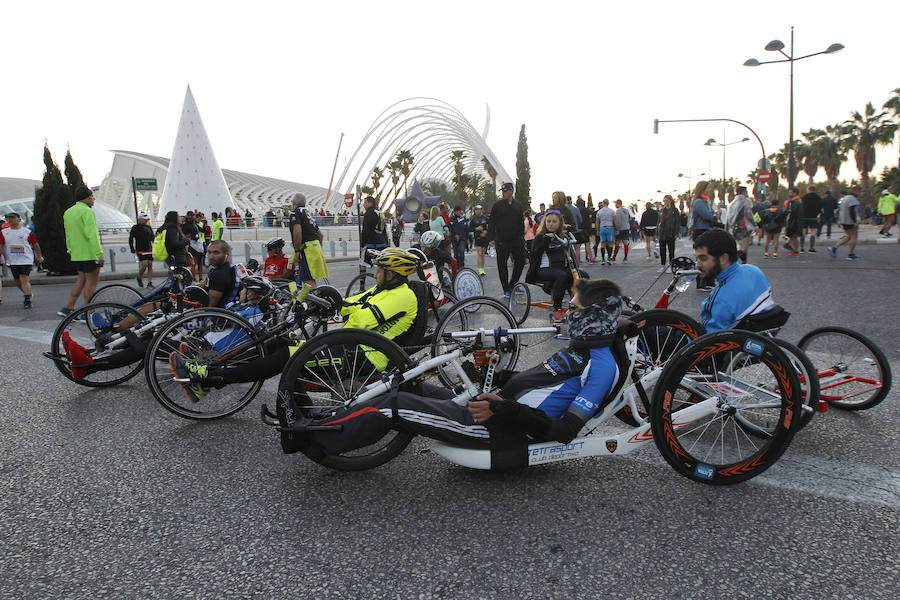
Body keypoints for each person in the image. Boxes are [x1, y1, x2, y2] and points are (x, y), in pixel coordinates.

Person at [274, 278, 624, 461]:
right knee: (406, 383)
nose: (568, 313)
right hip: (491, 411)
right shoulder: (582, 350)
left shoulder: (601, 367)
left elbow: (563, 430)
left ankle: (308, 438)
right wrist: (493, 377)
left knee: (394, 406)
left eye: (576, 309)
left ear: (592, 318)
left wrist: (502, 408)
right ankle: (318, 419)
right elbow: (538, 386)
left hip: (497, 431)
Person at [170, 248, 421, 401]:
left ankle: (211, 379)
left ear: (392, 274)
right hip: (347, 345)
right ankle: (209, 375)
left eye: (379, 270)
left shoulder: (402, 295)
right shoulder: (379, 290)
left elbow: (361, 321)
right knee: (274, 342)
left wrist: (340, 308)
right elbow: (348, 304)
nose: (375, 273)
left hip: (363, 356)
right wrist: (323, 300)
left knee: (285, 356)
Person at [693, 229, 774, 333]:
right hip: (759, 336)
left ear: (723, 258)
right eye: (696, 258)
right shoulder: (754, 271)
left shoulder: (720, 298)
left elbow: (703, 339)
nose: (697, 265)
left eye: (703, 259)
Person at [58, 187, 105, 318]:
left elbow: (68, 234)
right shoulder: (87, 212)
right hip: (90, 253)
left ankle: (67, 308)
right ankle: (87, 312)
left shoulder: (68, 212)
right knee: (91, 283)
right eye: (92, 196)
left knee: (81, 280)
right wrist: (99, 253)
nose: (94, 199)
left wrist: (70, 250)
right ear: (88, 197)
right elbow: (92, 234)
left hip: (76, 254)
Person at [525, 210, 573, 323]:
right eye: (548, 221)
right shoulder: (540, 237)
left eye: (554, 222)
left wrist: (570, 231)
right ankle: (557, 310)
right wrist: (546, 241)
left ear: (560, 224)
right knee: (561, 276)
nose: (551, 224)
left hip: (560, 269)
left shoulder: (562, 236)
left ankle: (576, 307)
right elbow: (533, 255)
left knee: (580, 275)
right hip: (542, 270)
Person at [488, 182, 526, 296]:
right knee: (502, 265)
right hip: (502, 241)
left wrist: (522, 237)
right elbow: (492, 222)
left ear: (511, 191)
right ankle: (506, 289)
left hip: (516, 239)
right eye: (502, 191)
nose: (503, 193)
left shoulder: (518, 205)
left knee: (521, 261)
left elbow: (521, 222)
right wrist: (491, 238)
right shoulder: (497, 205)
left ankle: (513, 284)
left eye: (505, 191)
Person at [0, 212, 42, 309]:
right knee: (18, 282)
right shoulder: (4, 232)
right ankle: (28, 293)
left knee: (24, 278)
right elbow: (1, 246)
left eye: (12, 218)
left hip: (26, 259)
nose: (10, 220)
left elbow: (35, 244)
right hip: (12, 260)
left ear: (19, 219)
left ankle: (27, 300)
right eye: (8, 218)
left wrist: (39, 256)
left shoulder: (26, 232)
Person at [290, 192, 328, 286]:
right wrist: (318, 247)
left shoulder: (295, 213)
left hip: (306, 249)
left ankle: (314, 299)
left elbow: (297, 231)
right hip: (316, 247)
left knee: (307, 280)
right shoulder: (308, 214)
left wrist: (297, 250)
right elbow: (321, 235)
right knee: (311, 278)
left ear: (293, 203)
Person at [689, 182, 715, 290]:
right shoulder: (699, 202)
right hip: (701, 231)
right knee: (703, 258)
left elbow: (712, 214)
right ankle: (702, 282)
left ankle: (708, 281)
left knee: (707, 257)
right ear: (703, 189)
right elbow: (708, 216)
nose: (710, 190)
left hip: (705, 230)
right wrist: (714, 216)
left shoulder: (705, 201)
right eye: (708, 188)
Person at [828, 187, 861, 260]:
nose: (860, 193)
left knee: (848, 236)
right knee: (854, 237)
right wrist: (855, 221)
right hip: (850, 221)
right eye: (859, 191)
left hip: (844, 221)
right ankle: (851, 254)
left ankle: (834, 248)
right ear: (856, 191)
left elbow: (838, 210)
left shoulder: (844, 198)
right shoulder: (852, 199)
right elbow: (852, 211)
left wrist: (839, 221)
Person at [725, 186, 755, 264]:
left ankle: (737, 259)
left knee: (738, 245)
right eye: (746, 192)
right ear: (743, 192)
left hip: (734, 227)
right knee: (744, 248)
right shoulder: (745, 201)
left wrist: (727, 228)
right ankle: (743, 262)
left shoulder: (732, 203)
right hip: (743, 226)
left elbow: (728, 217)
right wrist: (755, 225)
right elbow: (749, 214)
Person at [128, 213, 154, 287]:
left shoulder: (148, 227)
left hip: (149, 248)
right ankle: (139, 276)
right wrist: (132, 248)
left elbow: (152, 237)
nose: (146, 221)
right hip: (140, 248)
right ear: (140, 219)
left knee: (150, 264)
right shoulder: (135, 227)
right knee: (144, 264)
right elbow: (131, 238)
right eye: (144, 220)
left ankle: (150, 282)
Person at [182, 211, 206, 281]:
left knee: (200, 262)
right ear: (188, 216)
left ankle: (201, 278)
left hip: (198, 244)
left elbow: (202, 230)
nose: (193, 217)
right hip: (192, 245)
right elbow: (183, 235)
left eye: (193, 215)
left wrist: (204, 224)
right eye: (191, 215)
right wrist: (190, 236)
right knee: (193, 263)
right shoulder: (185, 225)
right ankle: (194, 278)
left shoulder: (194, 223)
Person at [657, 196, 679, 267]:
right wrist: (657, 233)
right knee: (662, 251)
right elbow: (658, 222)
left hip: (671, 233)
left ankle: (671, 265)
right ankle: (663, 265)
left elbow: (677, 222)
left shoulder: (674, 210)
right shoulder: (661, 210)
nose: (665, 202)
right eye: (664, 201)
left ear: (670, 201)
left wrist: (676, 233)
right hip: (662, 233)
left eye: (666, 200)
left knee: (671, 251)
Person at [468, 204, 489, 276]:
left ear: (481, 210)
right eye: (476, 209)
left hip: (485, 238)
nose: (477, 211)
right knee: (479, 253)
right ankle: (480, 269)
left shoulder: (486, 218)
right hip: (477, 238)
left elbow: (489, 227)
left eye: (479, 209)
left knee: (483, 253)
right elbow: (470, 229)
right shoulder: (474, 219)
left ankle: (482, 268)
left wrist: (486, 232)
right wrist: (477, 229)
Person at [800, 185, 822, 252]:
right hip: (814, 217)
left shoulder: (804, 197)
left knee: (803, 232)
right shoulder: (818, 198)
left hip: (804, 217)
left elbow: (801, 206)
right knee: (813, 233)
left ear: (809, 190)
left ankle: (802, 248)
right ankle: (811, 248)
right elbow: (820, 207)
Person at [783, 188, 803, 257]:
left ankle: (796, 251)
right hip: (797, 221)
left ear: (794, 193)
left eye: (790, 192)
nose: (789, 194)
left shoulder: (793, 202)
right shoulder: (799, 201)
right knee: (793, 236)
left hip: (793, 222)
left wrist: (789, 223)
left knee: (794, 236)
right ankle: (789, 246)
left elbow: (791, 213)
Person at [594, 199, 616, 265]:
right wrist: (616, 228)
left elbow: (597, 222)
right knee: (610, 244)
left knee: (603, 244)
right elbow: (615, 220)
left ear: (603, 203)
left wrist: (597, 230)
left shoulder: (599, 212)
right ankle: (609, 258)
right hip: (610, 227)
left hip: (602, 227)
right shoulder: (612, 211)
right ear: (608, 203)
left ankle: (603, 259)